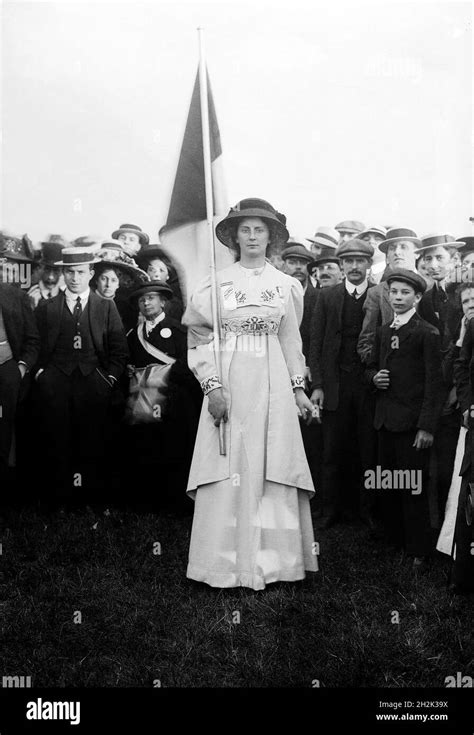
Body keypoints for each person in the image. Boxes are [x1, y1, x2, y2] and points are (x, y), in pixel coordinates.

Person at [183, 197, 318, 590]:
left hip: (273, 382)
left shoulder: (286, 285)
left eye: (261, 230)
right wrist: (212, 387)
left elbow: (292, 341)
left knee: (272, 462)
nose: (253, 236)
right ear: (235, 237)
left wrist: (299, 389)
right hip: (231, 381)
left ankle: (276, 563)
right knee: (231, 468)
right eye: (246, 229)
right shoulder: (216, 283)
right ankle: (221, 564)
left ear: (271, 237)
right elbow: (198, 338)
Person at [34, 245, 129, 505]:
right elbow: (36, 344)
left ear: (90, 273)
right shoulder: (47, 307)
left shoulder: (106, 308)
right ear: (63, 274)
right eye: (70, 272)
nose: (74, 278)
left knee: (92, 438)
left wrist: (108, 378)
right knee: (57, 437)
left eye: (80, 272)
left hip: (93, 380)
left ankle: (90, 498)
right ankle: (59, 498)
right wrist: (42, 374)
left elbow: (120, 349)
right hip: (56, 381)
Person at [365, 269, 444, 569]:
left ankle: (419, 548)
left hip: (411, 424)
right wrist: (375, 378)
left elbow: (434, 384)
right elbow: (369, 368)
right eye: (394, 292)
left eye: (405, 293)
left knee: (413, 485)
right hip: (386, 420)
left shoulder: (427, 333)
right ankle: (395, 538)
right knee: (388, 481)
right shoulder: (385, 331)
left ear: (418, 297)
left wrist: (426, 426)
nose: (398, 297)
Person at [309, 239, 377, 529]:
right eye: (348, 262)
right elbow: (316, 343)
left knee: (367, 450)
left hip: (367, 386)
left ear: (368, 265)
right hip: (335, 384)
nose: (354, 267)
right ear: (341, 266)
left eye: (360, 261)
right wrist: (319, 385)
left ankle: (368, 513)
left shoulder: (379, 295)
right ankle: (329, 510)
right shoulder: (327, 296)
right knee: (331, 451)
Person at [125, 281, 201, 513]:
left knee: (174, 448)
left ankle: (177, 503)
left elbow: (190, 368)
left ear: (163, 301)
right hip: (145, 400)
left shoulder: (179, 331)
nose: (146, 303)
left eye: (151, 298)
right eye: (142, 300)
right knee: (148, 446)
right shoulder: (132, 335)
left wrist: (160, 374)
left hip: (174, 401)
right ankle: (150, 500)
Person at [357, 227, 421, 365]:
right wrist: (377, 370)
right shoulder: (376, 293)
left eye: (403, 247)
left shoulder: (431, 287)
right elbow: (366, 341)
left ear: (416, 253)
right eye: (392, 248)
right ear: (387, 255)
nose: (397, 252)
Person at [0, 281, 40, 491]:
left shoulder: (15, 296)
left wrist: (20, 369)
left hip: (7, 369)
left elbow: (32, 340)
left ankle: (6, 483)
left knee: (4, 426)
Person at [136, 242, 184, 321]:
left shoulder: (176, 303)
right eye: (152, 270)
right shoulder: (137, 297)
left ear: (168, 276)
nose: (156, 275)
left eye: (161, 270)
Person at [27, 236, 67, 308]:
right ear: (40, 268)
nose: (50, 277)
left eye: (56, 271)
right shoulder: (27, 294)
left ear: (62, 272)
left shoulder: (67, 298)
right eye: (47, 270)